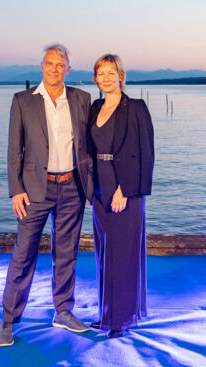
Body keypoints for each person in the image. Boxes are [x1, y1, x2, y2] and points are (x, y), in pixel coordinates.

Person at [0, 44, 91, 347]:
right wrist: (16, 190)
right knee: (23, 256)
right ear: (41, 66)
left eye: (59, 64)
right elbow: (14, 151)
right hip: (35, 189)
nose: (54, 68)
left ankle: (63, 310)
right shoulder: (23, 101)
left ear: (68, 70)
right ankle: (8, 320)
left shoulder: (82, 99)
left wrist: (90, 185)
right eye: (49, 63)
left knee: (66, 254)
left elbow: (88, 147)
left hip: (73, 187)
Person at [87, 54, 154, 338]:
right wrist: (90, 188)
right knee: (105, 255)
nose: (106, 77)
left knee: (124, 256)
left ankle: (121, 320)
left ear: (121, 76)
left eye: (111, 72)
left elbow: (146, 154)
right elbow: (88, 152)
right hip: (100, 188)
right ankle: (106, 315)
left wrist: (124, 189)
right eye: (101, 73)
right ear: (95, 78)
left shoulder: (136, 107)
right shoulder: (94, 107)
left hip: (125, 191)